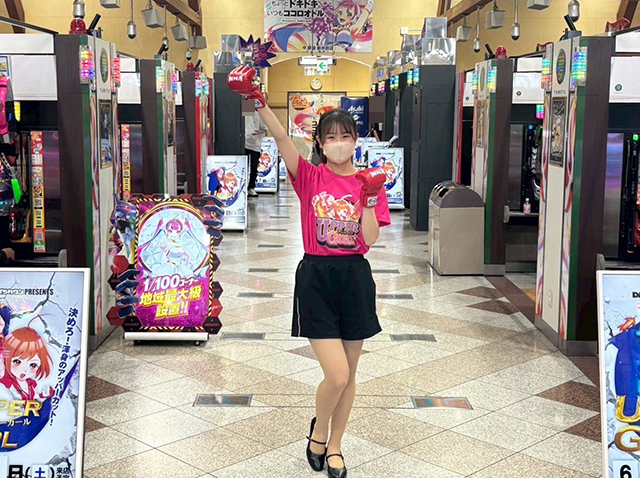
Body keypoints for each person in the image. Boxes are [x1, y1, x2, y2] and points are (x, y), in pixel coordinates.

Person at [228, 66, 390, 478]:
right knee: (336, 374)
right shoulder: (310, 177)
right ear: (319, 142)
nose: (338, 143)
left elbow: (369, 239)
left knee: (350, 375)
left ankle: (335, 446)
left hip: (355, 278)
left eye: (345, 136)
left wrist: (370, 199)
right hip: (316, 277)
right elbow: (283, 139)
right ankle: (318, 433)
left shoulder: (369, 183)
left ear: (356, 140)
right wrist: (258, 101)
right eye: (330, 137)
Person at [245, 111, 268, 197]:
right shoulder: (243, 114)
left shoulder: (258, 115)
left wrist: (257, 132)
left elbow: (264, 129)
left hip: (256, 145)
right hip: (244, 143)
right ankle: (244, 188)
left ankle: (251, 187)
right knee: (245, 166)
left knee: (254, 167)